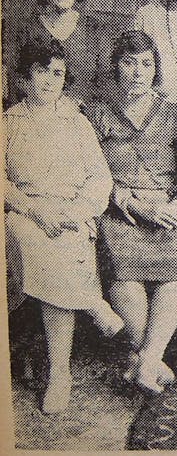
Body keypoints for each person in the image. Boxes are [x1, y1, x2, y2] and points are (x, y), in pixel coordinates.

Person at [4, 39, 122, 413]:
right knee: (30, 237)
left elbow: (99, 179)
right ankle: (91, 304)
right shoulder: (9, 121)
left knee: (65, 244)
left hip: (71, 213)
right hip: (23, 211)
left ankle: (59, 373)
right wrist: (32, 209)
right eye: (40, 71)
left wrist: (77, 212)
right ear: (24, 78)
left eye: (57, 72)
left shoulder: (77, 122)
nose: (49, 80)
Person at [87, 30, 177, 394]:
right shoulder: (97, 115)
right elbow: (90, 172)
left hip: (169, 207)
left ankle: (145, 360)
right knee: (123, 275)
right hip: (121, 209)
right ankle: (152, 361)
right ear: (116, 68)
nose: (137, 72)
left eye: (146, 64)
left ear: (156, 69)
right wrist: (132, 203)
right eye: (129, 62)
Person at [7, 0, 110, 107]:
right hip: (40, 121)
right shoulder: (28, 31)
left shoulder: (94, 30)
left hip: (85, 120)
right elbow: (18, 84)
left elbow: (105, 83)